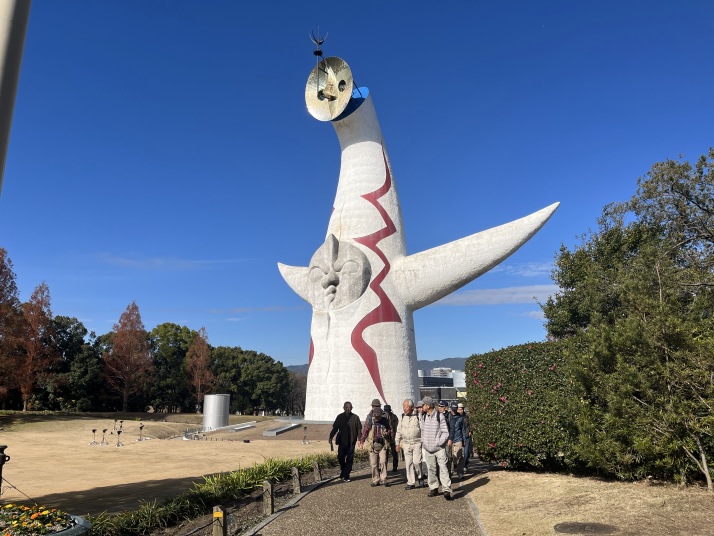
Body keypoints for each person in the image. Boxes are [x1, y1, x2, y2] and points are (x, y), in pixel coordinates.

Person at [420, 397, 453, 500]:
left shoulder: (440, 416)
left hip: (439, 449)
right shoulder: (424, 417)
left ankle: (446, 489)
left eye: (423, 405)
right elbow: (423, 431)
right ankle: (433, 488)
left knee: (443, 468)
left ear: (428, 405)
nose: (422, 406)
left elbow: (445, 432)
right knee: (431, 469)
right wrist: (424, 443)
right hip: (428, 449)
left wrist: (439, 443)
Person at [328, 401, 362, 482]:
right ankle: (343, 471)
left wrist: (359, 439)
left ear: (352, 408)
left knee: (349, 459)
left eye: (349, 407)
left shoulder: (355, 417)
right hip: (342, 442)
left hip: (351, 442)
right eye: (346, 407)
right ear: (343, 408)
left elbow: (359, 429)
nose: (348, 409)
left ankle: (346, 475)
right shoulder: (340, 417)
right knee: (340, 457)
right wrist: (331, 436)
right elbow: (335, 428)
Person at [394, 399, 424, 489]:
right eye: (404, 407)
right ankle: (411, 482)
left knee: (417, 462)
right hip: (406, 443)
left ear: (412, 407)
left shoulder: (418, 416)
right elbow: (398, 431)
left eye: (407, 407)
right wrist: (397, 443)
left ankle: (420, 476)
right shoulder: (402, 417)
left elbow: (423, 429)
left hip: (417, 442)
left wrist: (424, 442)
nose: (405, 409)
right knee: (408, 463)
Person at [358, 406, 392, 486]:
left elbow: (390, 430)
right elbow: (365, 431)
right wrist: (362, 441)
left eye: (379, 416)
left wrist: (387, 434)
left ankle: (384, 479)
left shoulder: (385, 421)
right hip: (372, 445)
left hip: (382, 445)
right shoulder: (370, 421)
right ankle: (375, 480)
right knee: (373, 464)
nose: (377, 418)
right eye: (376, 416)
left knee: (383, 461)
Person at [449, 402, 467, 480]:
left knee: (459, 457)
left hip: (458, 439)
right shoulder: (448, 416)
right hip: (449, 439)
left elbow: (463, 429)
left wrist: (464, 439)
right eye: (453, 410)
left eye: (455, 409)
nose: (454, 411)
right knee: (450, 458)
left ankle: (460, 473)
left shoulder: (460, 417)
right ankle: (450, 472)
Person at [438, 400, 453, 475]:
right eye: (439, 406)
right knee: (439, 457)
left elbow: (451, 428)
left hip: (446, 439)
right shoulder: (436, 415)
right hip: (438, 439)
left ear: (445, 407)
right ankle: (440, 475)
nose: (440, 408)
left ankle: (448, 474)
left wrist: (450, 439)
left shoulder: (449, 416)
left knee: (447, 457)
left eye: (442, 406)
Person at [383, 404, 399, 472]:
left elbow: (397, 427)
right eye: (386, 411)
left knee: (394, 453)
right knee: (385, 454)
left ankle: (395, 467)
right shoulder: (382, 417)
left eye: (388, 410)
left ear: (390, 410)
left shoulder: (394, 417)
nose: (387, 412)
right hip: (386, 438)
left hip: (393, 437)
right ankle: (384, 468)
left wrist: (396, 435)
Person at [458, 403, 473, 470]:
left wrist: (470, 431)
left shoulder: (466, 416)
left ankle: (465, 464)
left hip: (466, 435)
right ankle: (461, 466)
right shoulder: (456, 417)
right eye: (459, 409)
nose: (460, 411)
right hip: (459, 436)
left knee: (466, 452)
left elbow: (470, 424)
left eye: (461, 409)